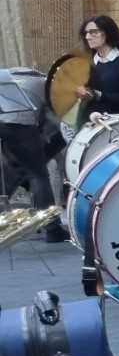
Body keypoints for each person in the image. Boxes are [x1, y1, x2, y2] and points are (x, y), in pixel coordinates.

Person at [0, 66, 68, 243]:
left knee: (10, 170)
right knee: (38, 175)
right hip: (20, 123)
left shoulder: (16, 73)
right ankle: (52, 229)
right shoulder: (51, 87)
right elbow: (54, 125)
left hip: (4, 121)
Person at [76, 15, 119, 121]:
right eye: (86, 33)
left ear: (107, 32)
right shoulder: (87, 63)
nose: (88, 37)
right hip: (93, 120)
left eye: (93, 32)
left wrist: (97, 94)